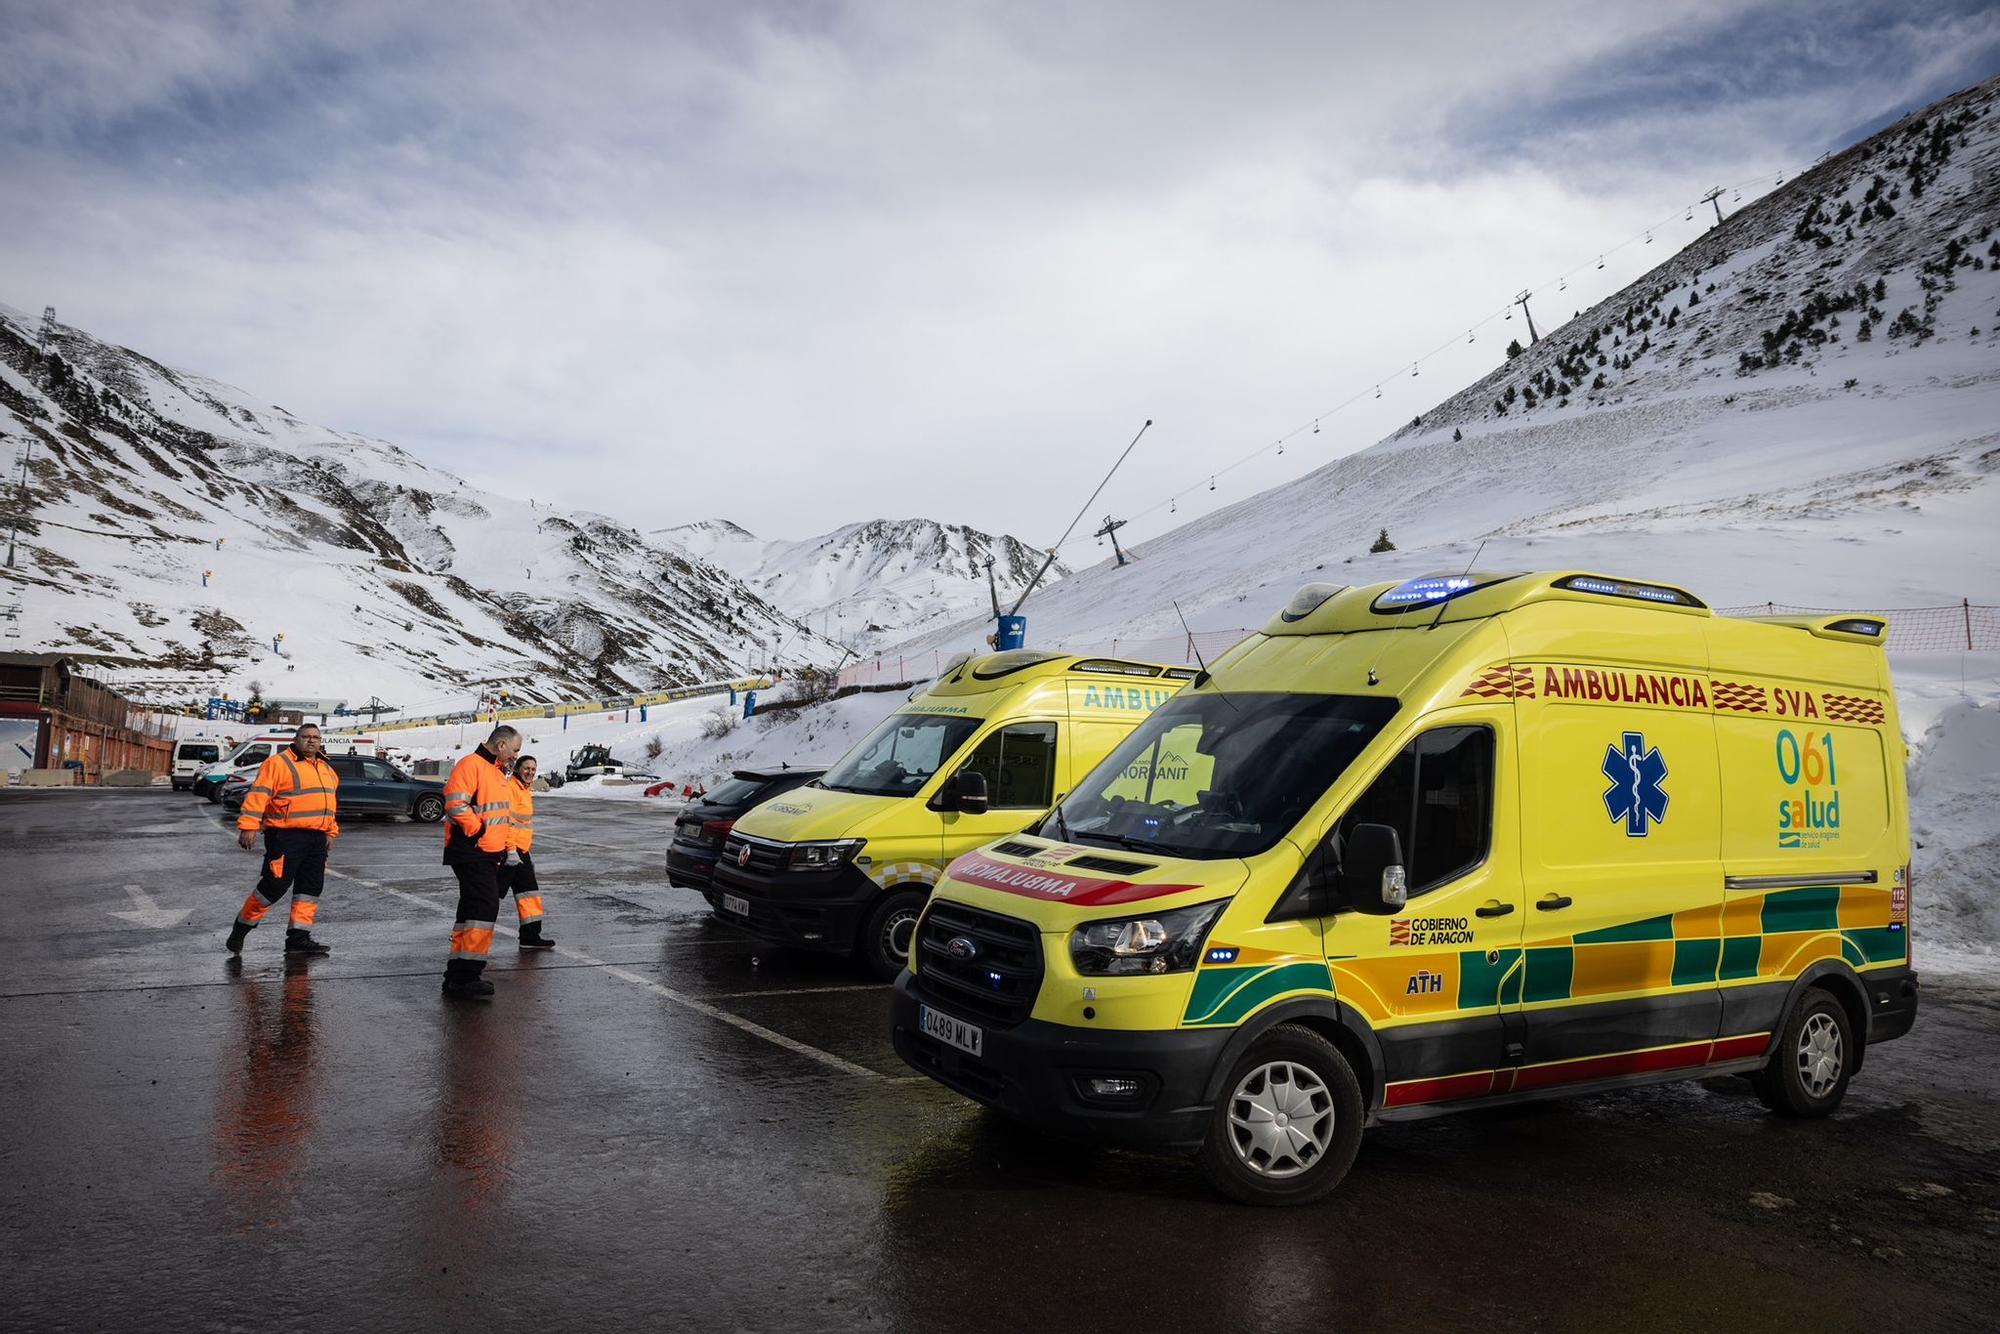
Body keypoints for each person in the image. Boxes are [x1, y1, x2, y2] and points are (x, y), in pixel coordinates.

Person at [225, 723, 339, 956]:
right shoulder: (278, 763)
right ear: (296, 739)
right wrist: (249, 826)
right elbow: (258, 795)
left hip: (316, 839)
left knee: (310, 890)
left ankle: (298, 938)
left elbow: (329, 805)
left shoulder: (326, 769)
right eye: (306, 736)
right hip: (286, 837)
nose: (311, 741)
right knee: (272, 888)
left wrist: (330, 831)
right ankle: (241, 928)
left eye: (316, 737)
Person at [440, 726, 521, 999]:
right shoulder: (471, 765)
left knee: (471, 911)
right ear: (500, 745)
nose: (515, 756)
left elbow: (502, 816)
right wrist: (478, 831)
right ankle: (467, 976)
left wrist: (506, 848)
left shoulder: (496, 772)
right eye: (514, 750)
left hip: (487, 854)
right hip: (471, 850)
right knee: (483, 908)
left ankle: (458, 975)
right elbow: (455, 804)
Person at [500, 755, 554, 950]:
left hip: (521, 851)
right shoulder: (511, 788)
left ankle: (530, 936)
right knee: (488, 896)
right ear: (517, 769)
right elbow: (507, 822)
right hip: (508, 851)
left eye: (533, 769)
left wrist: (523, 852)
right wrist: (511, 850)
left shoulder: (524, 790)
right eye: (526, 768)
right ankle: (463, 934)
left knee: (529, 894)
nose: (530, 772)